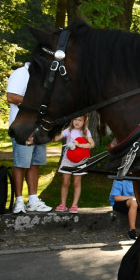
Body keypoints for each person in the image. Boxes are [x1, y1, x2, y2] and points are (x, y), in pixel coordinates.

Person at [6, 62, 52, 214]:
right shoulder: (21, 73)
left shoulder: (44, 77)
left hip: (39, 128)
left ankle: (33, 199)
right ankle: (19, 201)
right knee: (21, 164)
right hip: (22, 128)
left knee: (35, 164)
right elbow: (11, 97)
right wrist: (39, 103)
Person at [53, 116, 95, 212]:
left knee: (76, 182)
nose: (77, 122)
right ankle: (63, 204)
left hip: (80, 160)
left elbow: (92, 144)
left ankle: (74, 205)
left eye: (80, 120)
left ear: (84, 122)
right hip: (67, 159)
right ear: (72, 120)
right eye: (75, 119)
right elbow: (56, 139)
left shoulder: (86, 132)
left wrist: (80, 145)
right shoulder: (68, 130)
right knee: (65, 182)